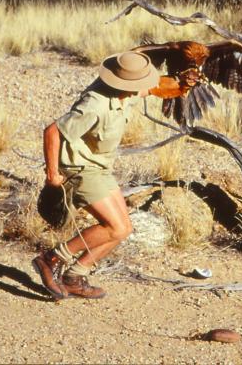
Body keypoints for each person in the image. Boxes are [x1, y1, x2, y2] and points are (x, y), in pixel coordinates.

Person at [32, 51, 160, 301]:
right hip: (80, 169)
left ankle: (74, 276)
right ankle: (51, 259)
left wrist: (186, 82)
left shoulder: (127, 94)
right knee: (114, 227)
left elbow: (155, 89)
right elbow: (52, 132)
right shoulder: (95, 104)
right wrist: (52, 175)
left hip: (100, 167)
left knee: (124, 229)